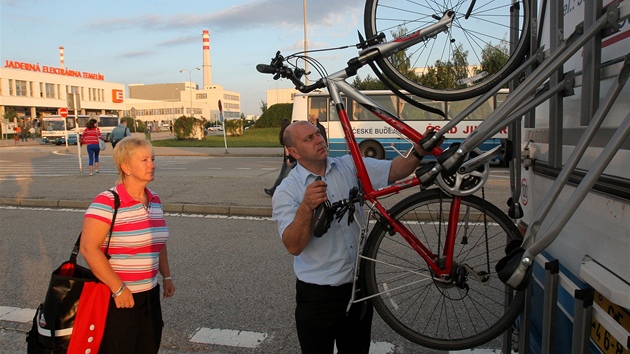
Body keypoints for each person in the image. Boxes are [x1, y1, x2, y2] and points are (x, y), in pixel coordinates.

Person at [271, 121, 435, 353]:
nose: (319, 139)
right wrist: (306, 207)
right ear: (294, 152)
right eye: (309, 138)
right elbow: (293, 246)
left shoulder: (348, 165)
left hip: (358, 289)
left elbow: (395, 170)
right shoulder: (287, 190)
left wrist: (419, 150)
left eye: (318, 134)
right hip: (317, 297)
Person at [80, 136, 174, 354]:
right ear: (125, 167)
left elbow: (158, 243)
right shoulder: (107, 201)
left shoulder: (155, 200)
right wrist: (118, 288)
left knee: (148, 348)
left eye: (153, 158)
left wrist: (166, 276)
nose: (152, 165)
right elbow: (88, 248)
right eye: (144, 160)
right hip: (116, 298)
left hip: (149, 295)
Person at [264, 118, 296, 196]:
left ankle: (273, 190)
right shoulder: (291, 133)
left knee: (283, 175)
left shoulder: (285, 134)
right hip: (296, 157)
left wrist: (287, 158)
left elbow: (286, 146)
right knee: (296, 175)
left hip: (290, 158)